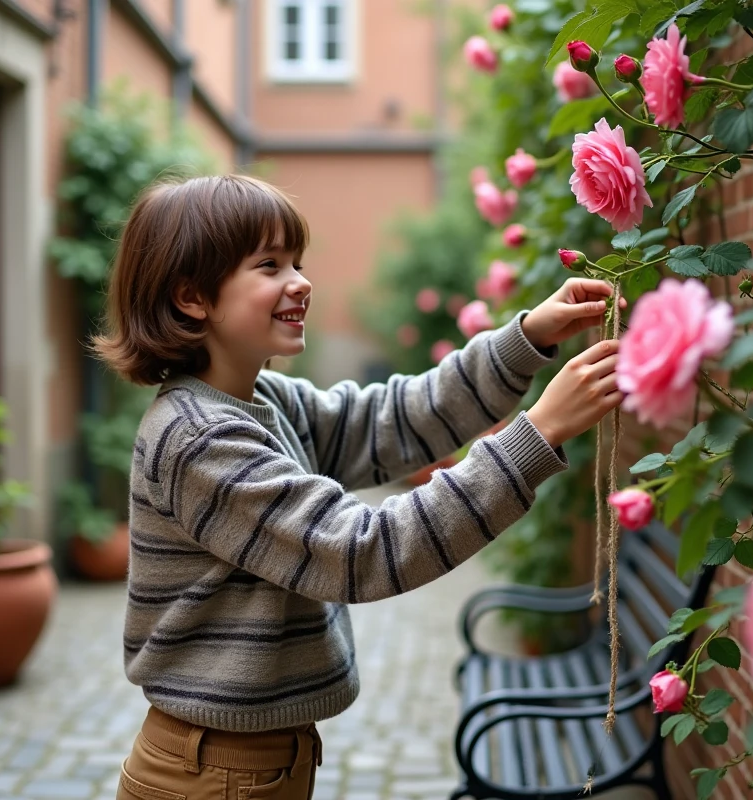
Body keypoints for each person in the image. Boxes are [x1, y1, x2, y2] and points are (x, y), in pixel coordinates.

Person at [93, 174, 624, 800]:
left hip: (248, 762)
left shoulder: (263, 401)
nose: (301, 281)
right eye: (269, 265)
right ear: (192, 297)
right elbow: (357, 550)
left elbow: (395, 418)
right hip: (215, 774)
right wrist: (536, 434)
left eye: (297, 261)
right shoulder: (195, 439)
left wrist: (525, 339)